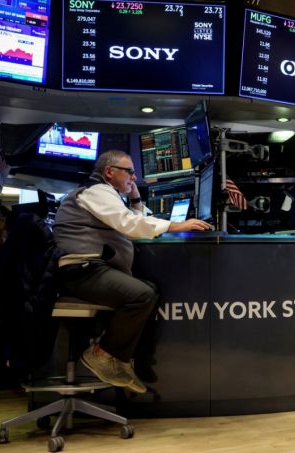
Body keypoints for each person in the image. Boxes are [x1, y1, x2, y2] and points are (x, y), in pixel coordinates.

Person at [53, 150, 211, 393]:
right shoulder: (96, 191)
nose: (134, 177)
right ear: (109, 171)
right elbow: (128, 224)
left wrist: (135, 198)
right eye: (130, 172)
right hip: (80, 270)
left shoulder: (104, 192)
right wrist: (176, 225)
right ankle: (101, 354)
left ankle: (128, 359)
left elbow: (132, 219)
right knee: (141, 295)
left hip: (89, 268)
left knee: (150, 290)